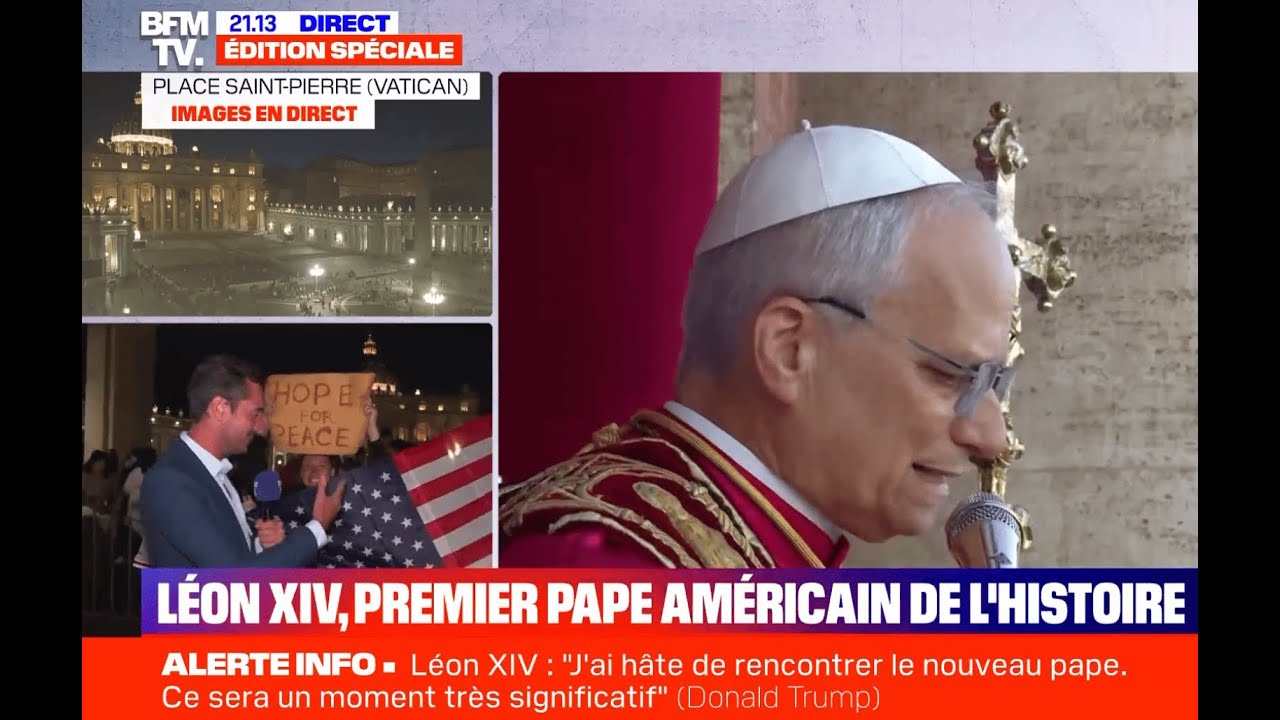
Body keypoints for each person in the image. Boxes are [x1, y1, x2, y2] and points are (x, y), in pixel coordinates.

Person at [499, 123, 1015, 569]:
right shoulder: (607, 576)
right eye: (951, 375)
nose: (990, 438)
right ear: (790, 349)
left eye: (994, 381)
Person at [140, 354, 347, 567]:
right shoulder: (171, 481)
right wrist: (318, 526)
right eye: (255, 414)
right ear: (220, 408)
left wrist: (260, 545)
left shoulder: (218, 475)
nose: (259, 428)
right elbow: (235, 577)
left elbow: (230, 554)